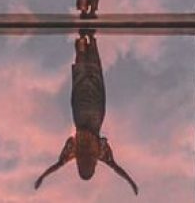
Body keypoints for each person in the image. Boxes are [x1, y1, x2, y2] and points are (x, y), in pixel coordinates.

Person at [34, 30, 138, 194]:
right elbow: (56, 166)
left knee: (94, 75)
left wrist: (131, 183)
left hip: (95, 113)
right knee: (83, 78)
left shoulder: (98, 154)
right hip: (82, 113)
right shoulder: (75, 153)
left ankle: (89, 40)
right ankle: (83, 44)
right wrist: (42, 177)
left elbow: (117, 169)